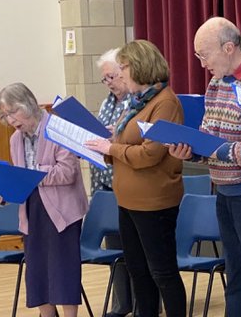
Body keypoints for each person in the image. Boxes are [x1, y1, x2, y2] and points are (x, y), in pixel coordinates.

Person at [169, 17, 241, 316]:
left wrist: (217, 151)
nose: (201, 63)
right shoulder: (216, 82)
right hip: (225, 191)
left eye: (204, 55)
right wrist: (191, 152)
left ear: (229, 47)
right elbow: (210, 135)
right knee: (235, 278)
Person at [85, 40, 187, 317]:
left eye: (123, 67)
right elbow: (127, 142)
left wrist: (111, 148)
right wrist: (108, 142)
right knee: (138, 271)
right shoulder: (139, 102)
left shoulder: (165, 102)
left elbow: (150, 153)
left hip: (154, 201)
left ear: (139, 66)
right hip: (129, 200)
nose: (120, 74)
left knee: (162, 272)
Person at [0, 82, 88, 317]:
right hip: (31, 210)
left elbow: (68, 172)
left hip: (62, 211)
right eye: (5, 116)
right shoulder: (15, 140)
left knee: (63, 271)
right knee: (38, 273)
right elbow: (18, 179)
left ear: (28, 104)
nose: (11, 121)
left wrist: (34, 175)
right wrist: (1, 195)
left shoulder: (58, 129)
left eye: (13, 113)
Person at [90, 48, 135, 317]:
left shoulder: (138, 101)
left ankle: (145, 302)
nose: (109, 83)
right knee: (115, 247)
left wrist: (115, 137)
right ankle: (122, 303)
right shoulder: (108, 103)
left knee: (135, 250)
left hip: (128, 182)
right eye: (104, 79)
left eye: (112, 77)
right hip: (105, 184)